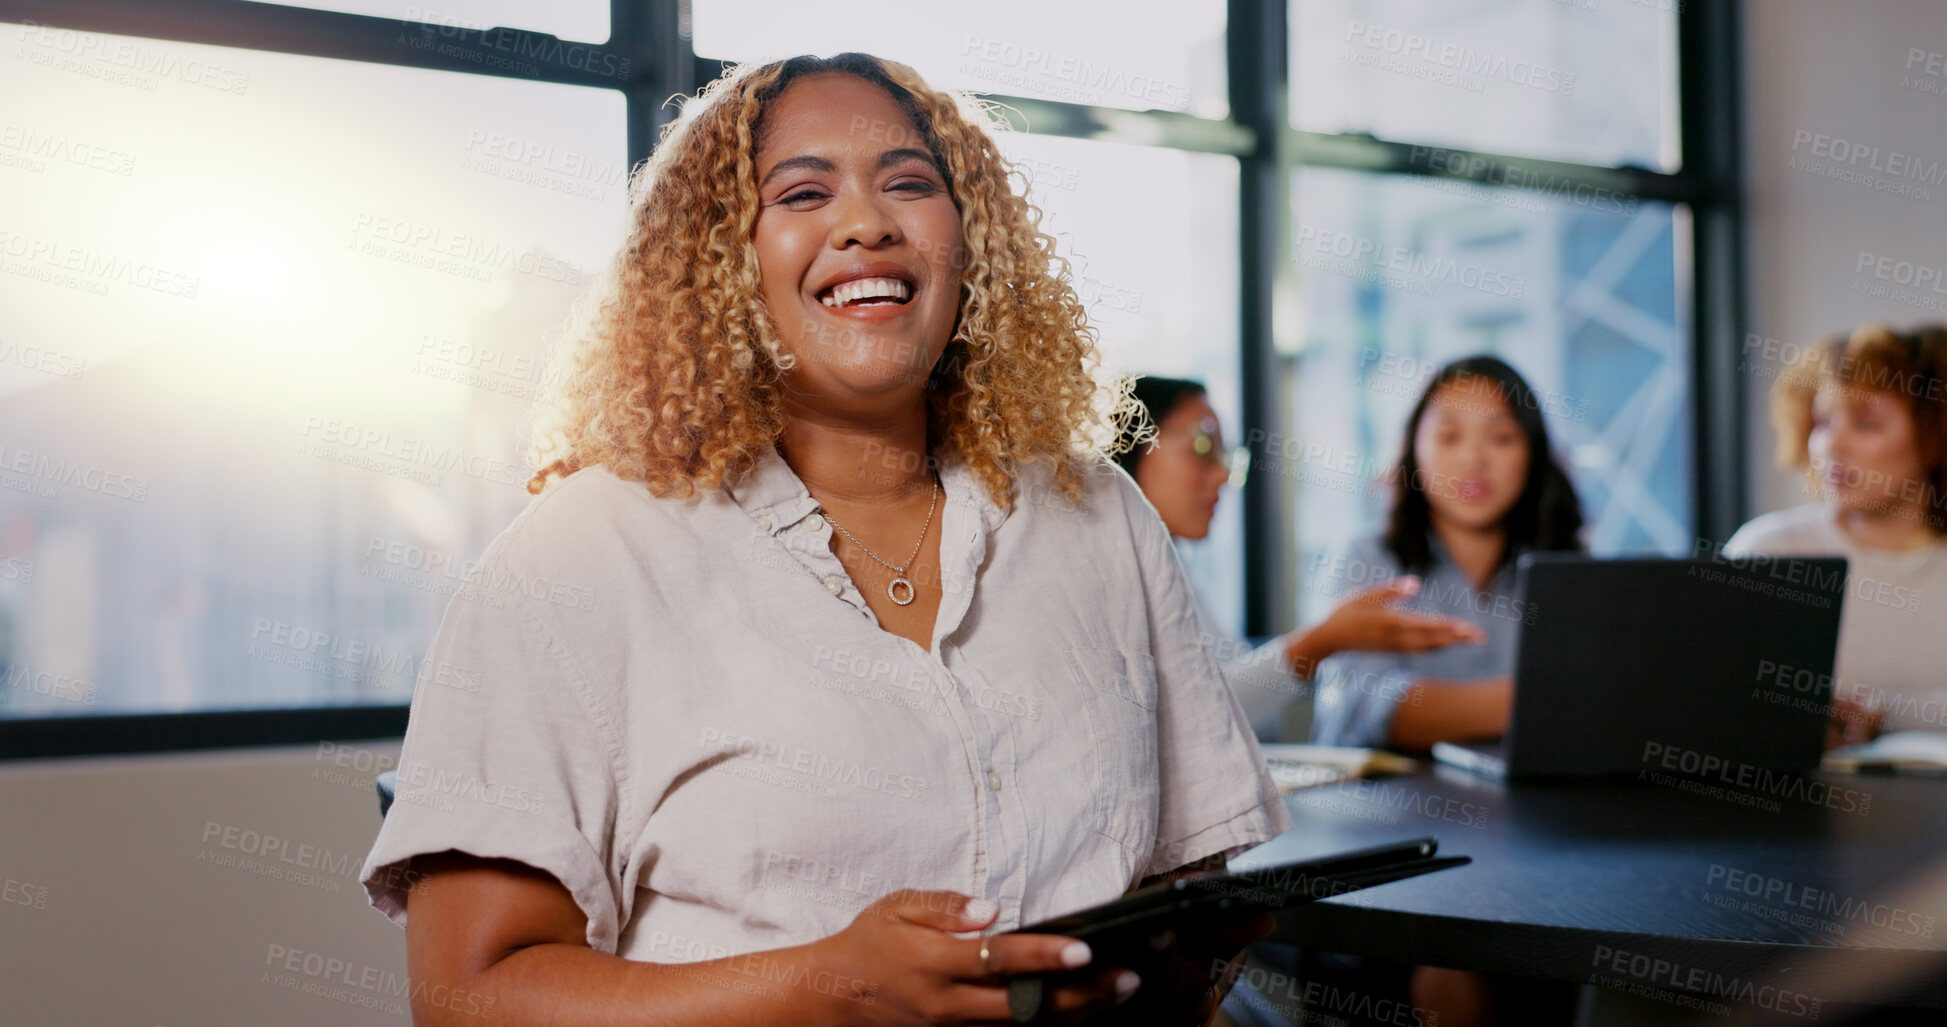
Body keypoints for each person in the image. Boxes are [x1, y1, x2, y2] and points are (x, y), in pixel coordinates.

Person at [357, 53, 1292, 1025]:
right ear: (720, 256)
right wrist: (825, 985)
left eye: (909, 185)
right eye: (803, 192)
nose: (867, 223)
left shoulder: (1098, 513)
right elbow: (467, 993)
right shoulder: (579, 557)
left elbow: (1197, 883)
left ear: (971, 244)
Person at [1112, 376, 1486, 743]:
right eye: (1201, 445)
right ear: (1123, 447)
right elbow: (1196, 725)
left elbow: (1243, 715)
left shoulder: (1179, 572)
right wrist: (1320, 641)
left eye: (1226, 455)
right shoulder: (1112, 583)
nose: (1224, 473)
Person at [1307, 356, 1585, 753]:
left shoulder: (1568, 567)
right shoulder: (1367, 560)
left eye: (1502, 437)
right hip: (1392, 808)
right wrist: (1548, 701)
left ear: (1533, 453)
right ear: (1413, 449)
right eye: (1450, 436)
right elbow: (1364, 708)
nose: (1474, 459)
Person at [1724, 322, 1947, 740]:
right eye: (1822, 422)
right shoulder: (1770, 552)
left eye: (1865, 424)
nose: (1830, 446)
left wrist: (1877, 713)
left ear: (1935, 435)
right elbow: (1720, 696)